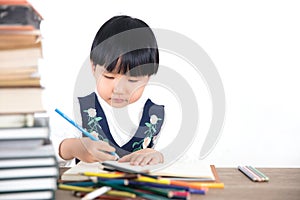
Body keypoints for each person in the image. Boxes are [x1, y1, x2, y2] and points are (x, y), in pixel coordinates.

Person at [56, 15, 164, 166]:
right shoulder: (77, 108)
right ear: (93, 67)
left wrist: (160, 156)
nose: (118, 89)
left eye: (133, 80)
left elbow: (186, 159)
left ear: (149, 77)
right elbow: (49, 149)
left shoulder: (159, 114)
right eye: (109, 77)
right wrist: (74, 147)